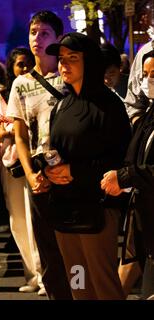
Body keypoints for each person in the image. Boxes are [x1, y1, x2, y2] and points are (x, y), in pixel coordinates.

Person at [45, 32, 131, 300]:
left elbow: (120, 160)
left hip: (97, 211)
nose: (63, 65)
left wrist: (75, 171)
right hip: (65, 210)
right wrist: (48, 170)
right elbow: (58, 151)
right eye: (61, 59)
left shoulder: (109, 106)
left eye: (73, 58)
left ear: (90, 62)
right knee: (78, 281)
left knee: (102, 282)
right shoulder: (62, 105)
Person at [6, 10, 72, 299]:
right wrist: (31, 174)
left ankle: (78, 293)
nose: (37, 38)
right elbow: (19, 133)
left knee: (72, 246)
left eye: (44, 32)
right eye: (33, 32)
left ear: (58, 38)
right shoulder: (21, 83)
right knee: (46, 246)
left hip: (69, 173)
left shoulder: (69, 75)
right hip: (38, 175)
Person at [101, 49, 154, 300]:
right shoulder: (149, 115)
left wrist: (124, 177)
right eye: (145, 75)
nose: (148, 81)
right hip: (145, 216)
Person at [0, 45, 44, 293]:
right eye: (19, 64)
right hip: (10, 164)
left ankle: (46, 275)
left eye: (27, 63)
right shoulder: (3, 96)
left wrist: (13, 129)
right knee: (18, 220)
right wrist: (14, 129)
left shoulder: (40, 88)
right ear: (11, 68)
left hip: (34, 161)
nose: (24, 68)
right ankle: (31, 276)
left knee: (37, 219)